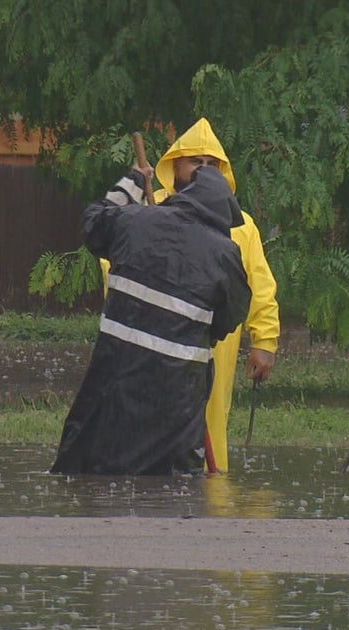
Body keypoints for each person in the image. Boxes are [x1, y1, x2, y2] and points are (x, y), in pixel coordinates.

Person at [101, 118, 280, 472]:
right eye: (195, 162)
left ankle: (210, 497)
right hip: (154, 338)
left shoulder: (239, 225)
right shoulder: (151, 214)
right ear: (175, 165)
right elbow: (114, 261)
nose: (203, 170)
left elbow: (259, 285)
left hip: (214, 343)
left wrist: (265, 341)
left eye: (212, 164)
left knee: (210, 417)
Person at [50, 164, 252, 475]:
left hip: (112, 384)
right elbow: (231, 316)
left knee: (87, 476)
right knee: (173, 491)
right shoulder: (225, 254)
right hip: (178, 403)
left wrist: (131, 182)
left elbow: (93, 222)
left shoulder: (134, 222)